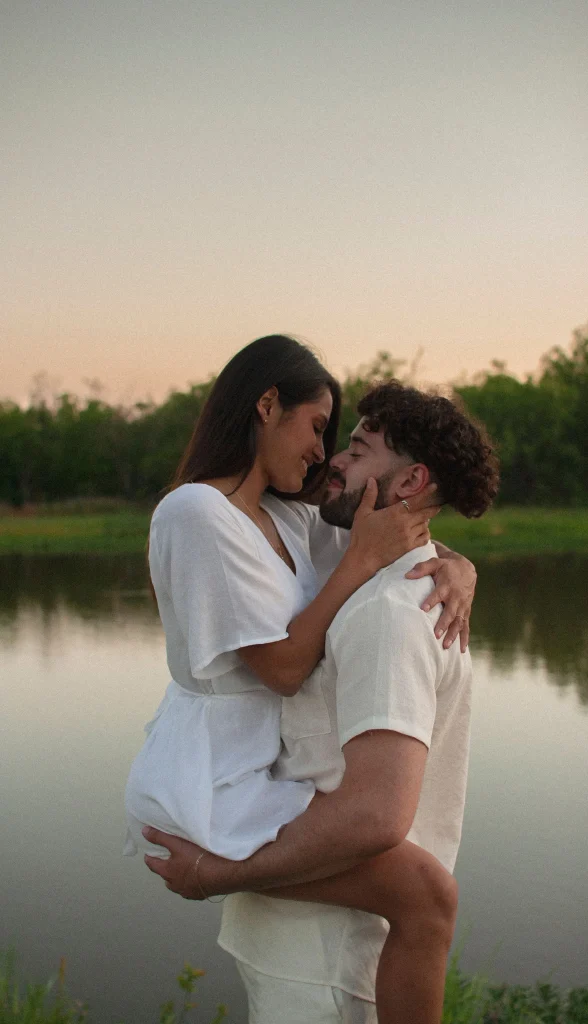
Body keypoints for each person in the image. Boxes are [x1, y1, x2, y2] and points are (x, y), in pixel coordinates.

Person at [125, 337, 480, 1021]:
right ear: (265, 405)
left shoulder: (288, 517)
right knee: (425, 895)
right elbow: (284, 669)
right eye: (317, 427)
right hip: (213, 772)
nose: (323, 452)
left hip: (264, 765)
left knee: (426, 895)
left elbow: (394, 531)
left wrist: (462, 569)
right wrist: (356, 566)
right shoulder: (196, 512)